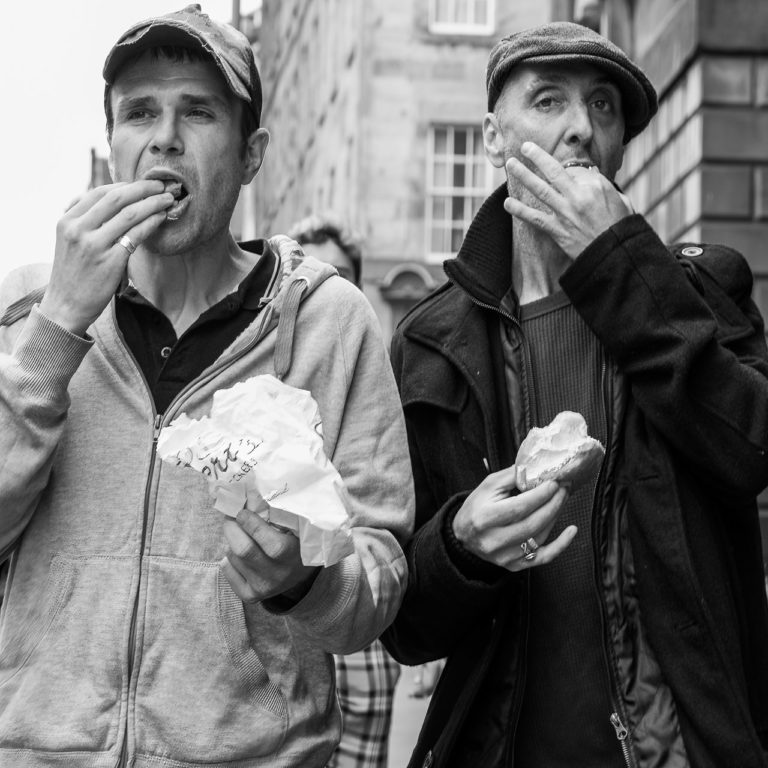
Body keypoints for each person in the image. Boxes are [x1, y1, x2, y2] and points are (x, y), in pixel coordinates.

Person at [0, 6, 414, 767]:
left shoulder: (328, 321)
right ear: (114, 146)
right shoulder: (28, 307)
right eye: (140, 113)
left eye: (197, 111)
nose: (164, 136)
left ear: (251, 153)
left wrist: (304, 583)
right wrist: (58, 327)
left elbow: (380, 576)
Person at [383, 21, 768, 768]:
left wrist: (615, 263)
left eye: (602, 108)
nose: (579, 129)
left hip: (677, 748)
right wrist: (461, 546)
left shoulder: (702, 287)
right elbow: (408, 628)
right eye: (549, 101)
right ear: (494, 137)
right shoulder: (432, 341)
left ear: (622, 140)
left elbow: (749, 447)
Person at [289, 213, 402, 768]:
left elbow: (399, 527)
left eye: (338, 278)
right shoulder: (269, 374)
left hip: (362, 624)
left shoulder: (378, 375)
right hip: (287, 625)